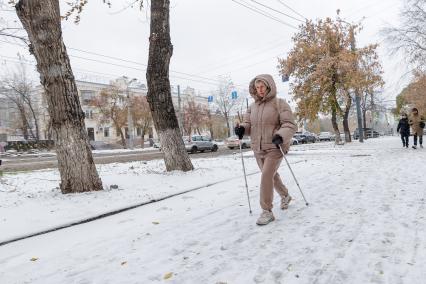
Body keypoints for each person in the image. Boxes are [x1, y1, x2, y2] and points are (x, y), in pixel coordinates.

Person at [234, 74, 297, 225]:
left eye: (262, 86)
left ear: (269, 86)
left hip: (276, 146)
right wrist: (242, 129)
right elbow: (248, 124)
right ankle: (285, 195)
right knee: (271, 176)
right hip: (258, 148)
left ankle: (266, 211)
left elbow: (290, 125)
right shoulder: (252, 107)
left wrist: (281, 136)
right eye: (257, 87)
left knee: (266, 175)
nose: (260, 90)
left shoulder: (279, 104)